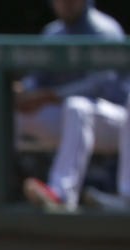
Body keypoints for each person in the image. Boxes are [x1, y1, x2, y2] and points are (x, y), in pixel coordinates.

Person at [10, 0, 127, 213]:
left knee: (77, 106)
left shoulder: (104, 30)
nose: (67, 4)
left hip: (117, 122)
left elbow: (103, 84)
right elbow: (38, 78)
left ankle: (62, 194)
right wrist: (24, 91)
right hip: (75, 122)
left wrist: (51, 95)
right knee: (8, 113)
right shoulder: (53, 33)